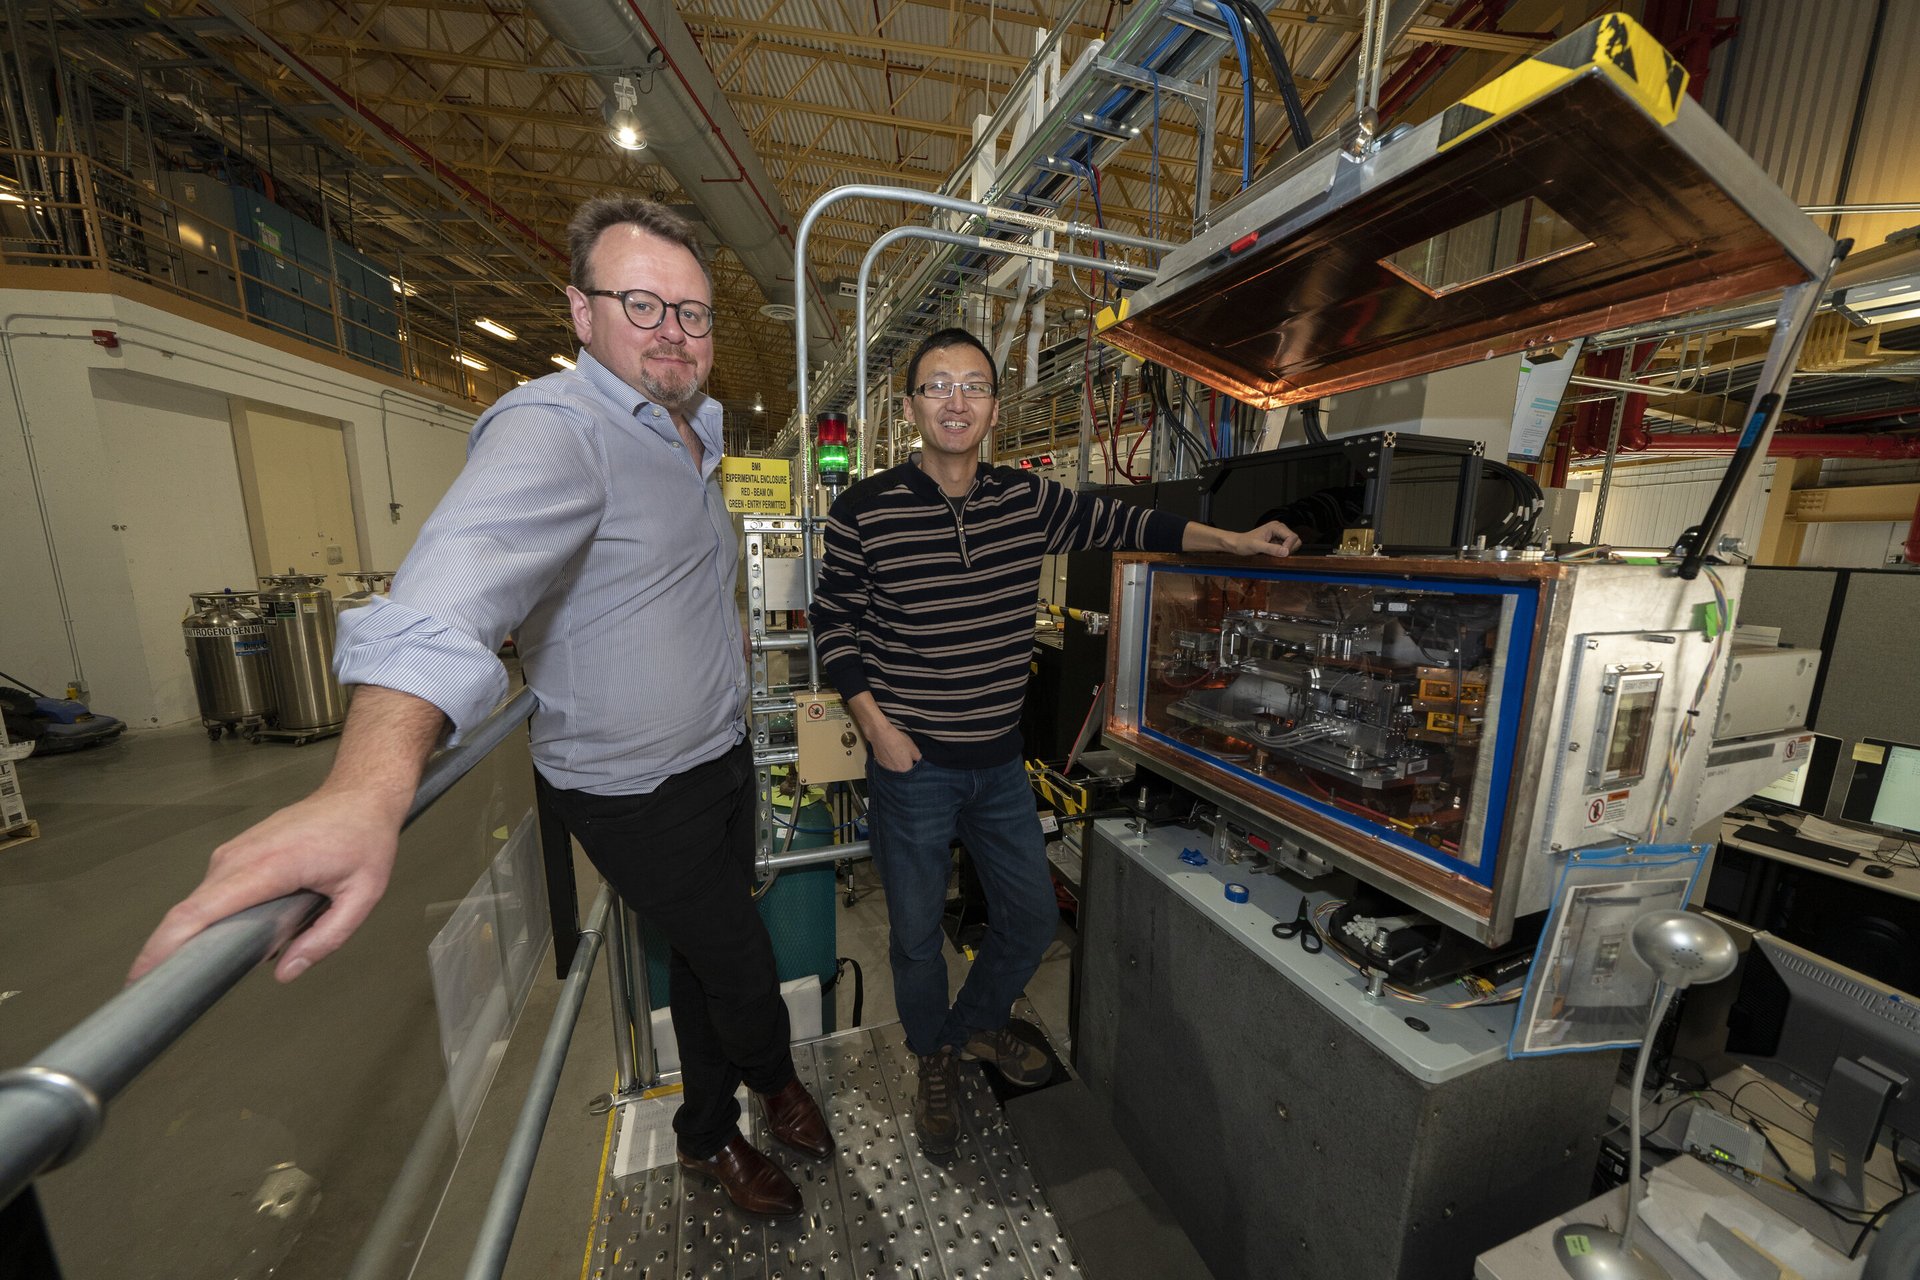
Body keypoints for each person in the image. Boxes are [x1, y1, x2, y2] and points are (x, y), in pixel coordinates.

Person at [129, 197, 829, 1219]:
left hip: (715, 757)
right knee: (742, 961)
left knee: (702, 951)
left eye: (695, 311)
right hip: (633, 789)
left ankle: (713, 1115)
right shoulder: (559, 427)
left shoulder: (694, 440)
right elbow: (452, 586)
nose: (675, 330)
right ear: (581, 313)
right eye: (643, 303)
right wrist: (366, 785)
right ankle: (750, 1103)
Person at [808, 327, 1300, 1154]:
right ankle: (932, 1053)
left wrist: (1240, 542)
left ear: (995, 407)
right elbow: (835, 624)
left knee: (1033, 919)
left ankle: (972, 1026)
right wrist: (876, 729)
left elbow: (1135, 525)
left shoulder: (1028, 500)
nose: (956, 400)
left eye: (973, 385)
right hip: (912, 764)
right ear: (910, 408)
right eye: (938, 386)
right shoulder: (865, 509)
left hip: (997, 762)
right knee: (917, 936)